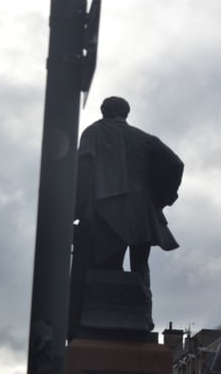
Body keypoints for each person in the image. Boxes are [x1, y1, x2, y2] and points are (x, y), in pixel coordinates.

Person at [73, 96, 184, 287]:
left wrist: (76, 206)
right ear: (126, 113)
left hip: (107, 209)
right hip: (143, 211)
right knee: (140, 266)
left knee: (107, 268)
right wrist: (162, 197)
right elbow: (176, 164)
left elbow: (84, 167)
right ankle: (142, 309)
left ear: (104, 111)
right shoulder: (145, 138)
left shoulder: (93, 132)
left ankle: (112, 312)